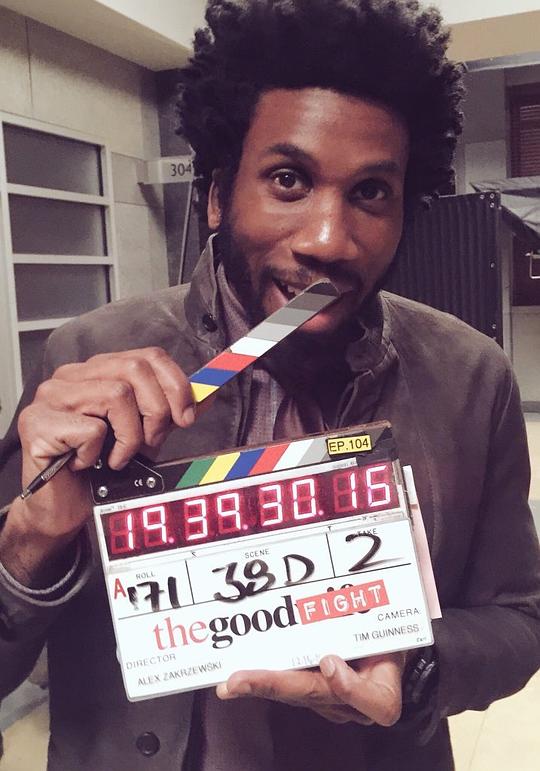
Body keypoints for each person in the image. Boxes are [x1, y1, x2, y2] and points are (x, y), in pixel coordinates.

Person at [0, 1, 539, 769]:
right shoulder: (86, 355)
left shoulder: (470, 378)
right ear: (219, 194)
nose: (328, 239)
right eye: (289, 180)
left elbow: (520, 616)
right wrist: (31, 538)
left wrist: (417, 664)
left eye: (370, 192)